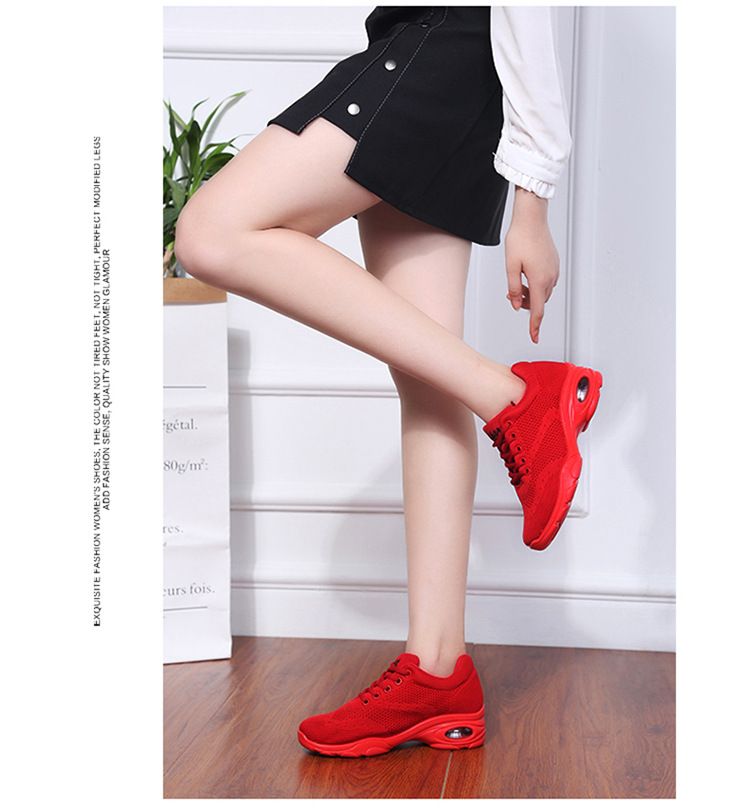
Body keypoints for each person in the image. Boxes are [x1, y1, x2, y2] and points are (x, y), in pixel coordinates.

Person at [174, 5, 603, 757]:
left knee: (211, 231)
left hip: (440, 46)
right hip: (456, 72)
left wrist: (532, 203)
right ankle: (438, 670)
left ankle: (519, 400)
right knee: (428, 376)